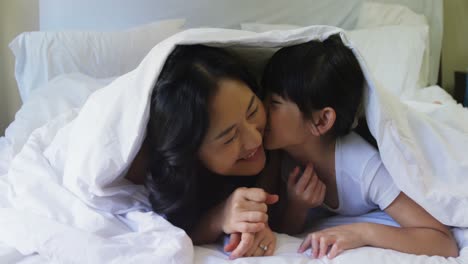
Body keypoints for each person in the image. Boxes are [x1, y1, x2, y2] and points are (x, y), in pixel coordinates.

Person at [261, 35, 459, 259]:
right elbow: (279, 228)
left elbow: (442, 241)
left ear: (321, 121)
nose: (260, 109)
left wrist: (363, 232)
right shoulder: (277, 154)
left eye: (274, 103)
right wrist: (298, 208)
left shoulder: (364, 167)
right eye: (262, 97)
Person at [125, 44, 278, 259]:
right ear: (191, 151)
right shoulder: (156, 175)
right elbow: (170, 232)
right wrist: (220, 216)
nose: (255, 138)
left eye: (252, 111)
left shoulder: (279, 136)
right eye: (229, 137)